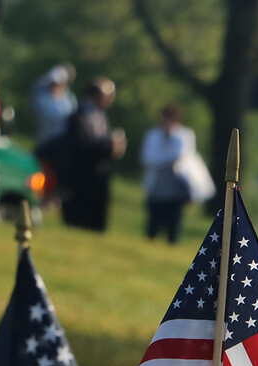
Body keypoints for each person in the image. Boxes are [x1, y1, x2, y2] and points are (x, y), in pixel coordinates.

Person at [61, 77, 127, 232]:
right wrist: (108, 146)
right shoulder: (78, 117)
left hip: (99, 178)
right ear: (95, 95)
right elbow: (80, 145)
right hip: (81, 180)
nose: (111, 99)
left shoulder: (101, 115)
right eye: (108, 95)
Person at [139, 104, 196, 244]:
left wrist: (162, 157)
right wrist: (167, 158)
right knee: (153, 220)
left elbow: (182, 155)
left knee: (174, 222)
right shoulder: (153, 135)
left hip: (176, 185)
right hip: (157, 184)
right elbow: (148, 158)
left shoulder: (184, 135)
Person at [32, 65, 78, 208]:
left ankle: (52, 197)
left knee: (57, 172)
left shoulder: (69, 99)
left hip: (62, 143)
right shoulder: (43, 98)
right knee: (43, 170)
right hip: (45, 140)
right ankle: (41, 196)